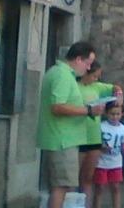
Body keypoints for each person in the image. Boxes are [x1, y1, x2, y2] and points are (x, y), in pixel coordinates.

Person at [38, 42, 106, 208]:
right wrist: (88, 111)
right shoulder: (62, 75)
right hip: (62, 140)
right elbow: (57, 107)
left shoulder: (61, 73)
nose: (88, 68)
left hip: (63, 139)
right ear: (78, 59)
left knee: (62, 186)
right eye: (88, 63)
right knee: (61, 187)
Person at [78, 61, 123, 208]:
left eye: (98, 76)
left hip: (93, 137)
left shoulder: (96, 86)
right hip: (77, 135)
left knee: (88, 178)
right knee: (73, 177)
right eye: (94, 76)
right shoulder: (75, 86)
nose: (96, 79)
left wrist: (119, 94)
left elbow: (115, 88)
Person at [93, 104, 124, 208]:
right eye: (112, 114)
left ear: (122, 114)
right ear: (106, 113)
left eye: (118, 114)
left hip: (116, 163)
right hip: (101, 163)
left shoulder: (123, 128)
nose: (115, 117)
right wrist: (102, 146)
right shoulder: (101, 126)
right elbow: (96, 142)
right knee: (99, 188)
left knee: (116, 187)